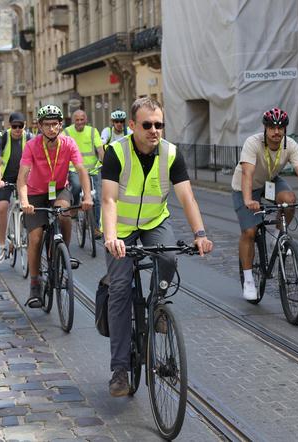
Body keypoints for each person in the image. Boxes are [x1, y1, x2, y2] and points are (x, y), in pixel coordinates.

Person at [101, 97, 214, 397]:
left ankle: (157, 306)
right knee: (121, 289)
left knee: (169, 258)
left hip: (154, 221)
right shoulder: (116, 152)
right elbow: (109, 200)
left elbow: (187, 197)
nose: (154, 130)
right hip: (121, 229)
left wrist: (199, 233)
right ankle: (120, 369)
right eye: (147, 125)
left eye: (159, 124)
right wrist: (111, 236)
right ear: (132, 126)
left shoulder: (171, 154)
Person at [232, 107, 298, 301]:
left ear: (285, 129)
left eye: (280, 128)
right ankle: (248, 280)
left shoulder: (290, 145)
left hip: (269, 182)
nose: (276, 132)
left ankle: (278, 236)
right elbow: (247, 173)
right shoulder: (253, 143)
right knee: (250, 232)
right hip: (245, 187)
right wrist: (248, 200)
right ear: (265, 128)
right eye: (272, 127)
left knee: (289, 201)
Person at [17, 105, 93, 308]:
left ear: (61, 125)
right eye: (47, 125)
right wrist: (24, 201)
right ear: (40, 126)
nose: (52, 128)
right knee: (35, 237)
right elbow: (22, 177)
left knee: (64, 214)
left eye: (55, 124)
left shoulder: (68, 143)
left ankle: (63, 254)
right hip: (35, 194)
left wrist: (87, 196)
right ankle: (35, 284)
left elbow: (81, 170)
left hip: (58, 190)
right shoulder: (32, 146)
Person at [0, 112, 29, 263]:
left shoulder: (30, 138)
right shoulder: (1, 138)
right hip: (5, 178)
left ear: (24, 126)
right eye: (15, 126)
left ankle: (25, 235)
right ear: (10, 126)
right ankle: (2, 246)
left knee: (29, 205)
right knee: (2, 206)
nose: (18, 129)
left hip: (24, 178)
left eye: (21, 126)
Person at [63, 110, 104, 238]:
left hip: (92, 169)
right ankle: (75, 207)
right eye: (77, 120)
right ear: (73, 120)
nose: (79, 122)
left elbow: (100, 150)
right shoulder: (67, 132)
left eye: (82, 119)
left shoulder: (92, 131)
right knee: (75, 186)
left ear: (86, 120)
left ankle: (96, 227)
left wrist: (104, 162)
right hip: (74, 169)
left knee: (96, 198)